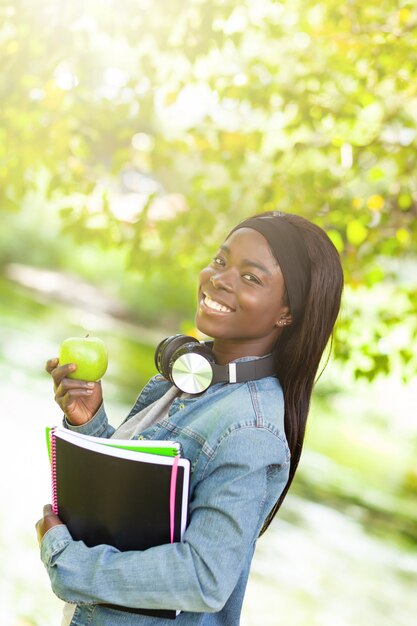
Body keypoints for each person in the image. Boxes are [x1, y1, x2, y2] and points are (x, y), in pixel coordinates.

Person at [36, 210, 344, 626]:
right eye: (220, 261)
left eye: (251, 277)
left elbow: (203, 578)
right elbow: (136, 513)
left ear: (287, 312)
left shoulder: (250, 429)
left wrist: (68, 563)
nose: (220, 279)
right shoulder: (188, 379)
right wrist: (89, 421)